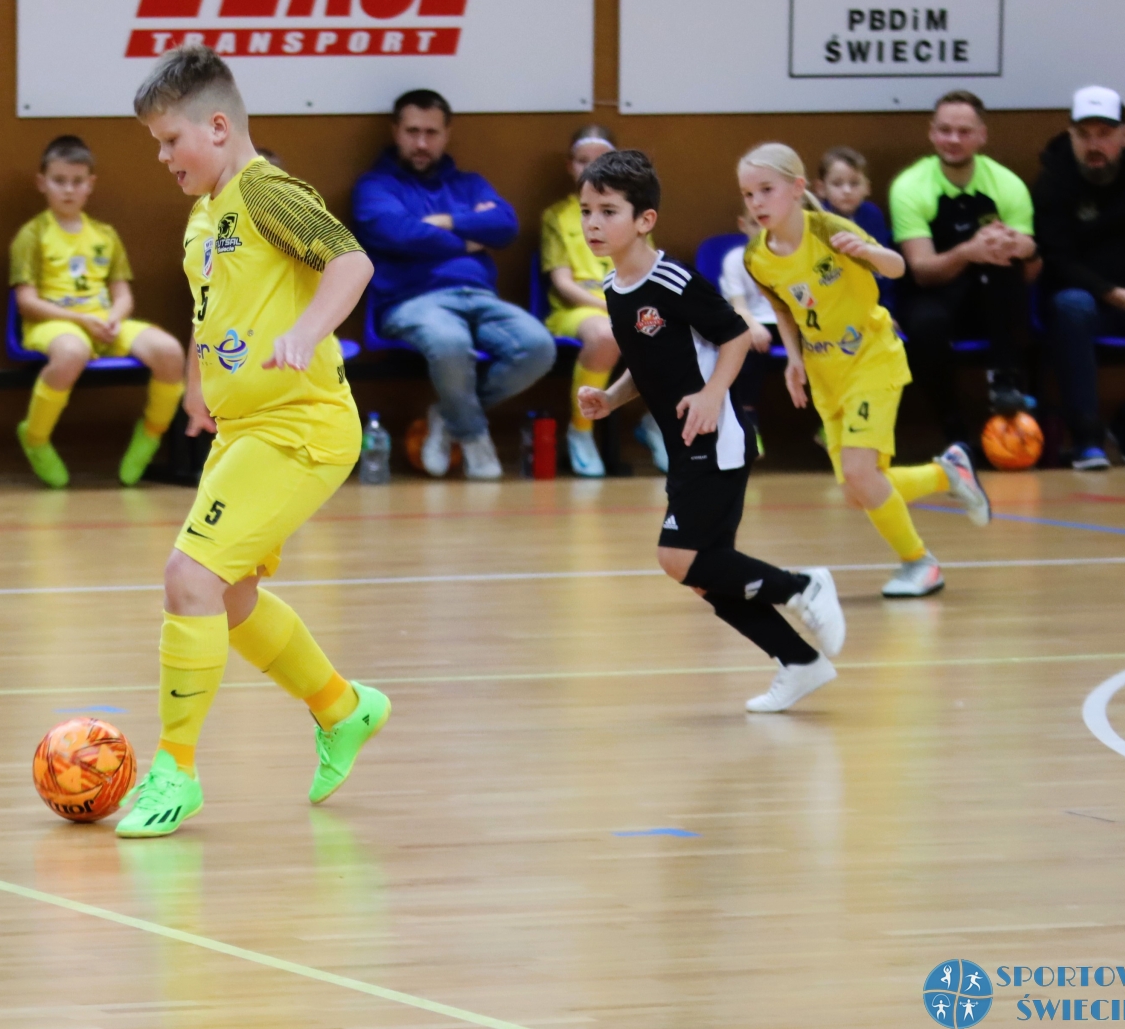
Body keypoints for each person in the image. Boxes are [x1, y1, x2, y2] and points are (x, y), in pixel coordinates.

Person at [120, 45, 389, 838]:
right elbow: (213, 311)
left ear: (216, 126)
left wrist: (307, 331)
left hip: (301, 425)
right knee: (229, 594)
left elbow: (351, 263)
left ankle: (176, 769)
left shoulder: (268, 191)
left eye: (170, 141)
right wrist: (198, 383)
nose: (163, 157)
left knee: (189, 578)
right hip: (245, 428)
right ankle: (342, 707)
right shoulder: (204, 214)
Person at [573, 149, 846, 713]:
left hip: (715, 440)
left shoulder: (671, 280)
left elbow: (737, 336)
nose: (593, 224)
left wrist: (712, 393)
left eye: (608, 211)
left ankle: (802, 586)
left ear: (645, 220)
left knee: (677, 557)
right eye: (586, 212)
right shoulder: (615, 287)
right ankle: (800, 662)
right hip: (684, 446)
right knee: (705, 575)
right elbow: (647, 364)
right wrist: (612, 397)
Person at [740, 144, 994, 598]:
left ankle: (920, 563)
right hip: (825, 371)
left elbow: (896, 268)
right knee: (858, 491)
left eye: (766, 190)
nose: (756, 202)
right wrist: (794, 359)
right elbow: (782, 308)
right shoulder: (756, 256)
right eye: (748, 194)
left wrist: (868, 252)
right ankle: (947, 473)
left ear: (797, 189)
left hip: (870, 358)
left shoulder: (829, 229)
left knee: (861, 475)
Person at [353, 89, 556, 479]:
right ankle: (474, 437)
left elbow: (505, 225)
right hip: (411, 301)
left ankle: (449, 415)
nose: (421, 143)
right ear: (395, 132)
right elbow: (397, 233)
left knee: (537, 347)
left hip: (479, 297)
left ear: (447, 134)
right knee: (450, 343)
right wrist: (468, 237)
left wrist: (443, 223)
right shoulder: (375, 186)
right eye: (412, 132)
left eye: (431, 132)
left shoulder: (470, 184)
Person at [10, 136, 187, 488]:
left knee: (170, 352)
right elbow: (26, 302)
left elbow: (122, 295)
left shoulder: (105, 234)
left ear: (90, 184)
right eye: (59, 180)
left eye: (77, 181)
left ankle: (151, 433)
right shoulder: (31, 235)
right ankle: (35, 436)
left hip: (104, 323)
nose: (68, 189)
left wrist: (113, 318)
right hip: (54, 324)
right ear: (42, 182)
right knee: (71, 352)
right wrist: (80, 320)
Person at [890, 90, 1038, 447]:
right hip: (933, 295)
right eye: (945, 130)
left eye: (964, 131)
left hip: (990, 299)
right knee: (926, 326)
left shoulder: (1007, 185)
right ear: (932, 133)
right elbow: (923, 270)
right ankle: (954, 428)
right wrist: (969, 252)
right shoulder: (909, 187)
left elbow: (1031, 270)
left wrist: (1024, 248)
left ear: (982, 135)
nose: (953, 140)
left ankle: (1005, 383)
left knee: (1007, 269)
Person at [1034, 85, 1125, 469]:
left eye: (1104, 134)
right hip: (1083, 300)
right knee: (1072, 306)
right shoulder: (1054, 180)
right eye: (1084, 134)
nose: (1094, 145)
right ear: (1070, 135)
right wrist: (1115, 294)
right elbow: (1057, 259)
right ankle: (1086, 436)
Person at [540, 125, 665, 476]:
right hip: (578, 310)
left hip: (627, 305)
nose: (592, 168)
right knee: (606, 334)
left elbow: (649, 272)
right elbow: (562, 282)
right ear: (571, 166)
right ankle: (580, 431)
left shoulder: (634, 212)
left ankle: (657, 423)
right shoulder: (557, 216)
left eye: (602, 159)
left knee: (670, 331)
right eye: (583, 161)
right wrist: (609, 307)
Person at [717, 210, 781, 451]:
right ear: (743, 225)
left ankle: (831, 425)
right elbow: (739, 306)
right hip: (753, 322)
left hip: (789, 324)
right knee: (745, 345)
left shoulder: (791, 256)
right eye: (755, 224)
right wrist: (754, 327)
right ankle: (747, 425)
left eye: (768, 223)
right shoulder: (735, 259)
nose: (762, 230)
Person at [815, 147, 892, 246]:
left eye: (854, 183)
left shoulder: (872, 214)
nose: (847, 191)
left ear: (867, 188)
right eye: (837, 184)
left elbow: (882, 250)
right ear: (821, 189)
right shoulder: (817, 217)